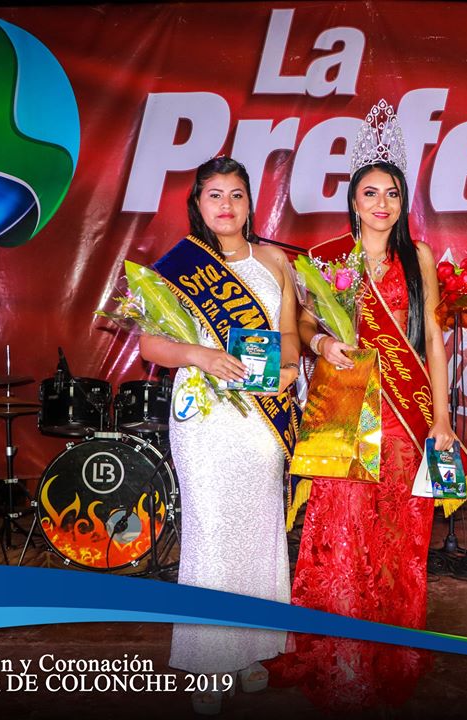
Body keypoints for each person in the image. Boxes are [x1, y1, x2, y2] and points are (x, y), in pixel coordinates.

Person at [270, 101, 467, 712]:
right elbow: (305, 325)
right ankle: (341, 653)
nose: (381, 203)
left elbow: (433, 341)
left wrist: (442, 419)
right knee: (340, 530)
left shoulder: (420, 259)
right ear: (353, 201)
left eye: (391, 193)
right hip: (345, 409)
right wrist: (322, 344)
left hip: (406, 417)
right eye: (370, 193)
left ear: (402, 201)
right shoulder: (328, 257)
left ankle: (391, 652)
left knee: (400, 534)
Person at [138, 156, 300, 714]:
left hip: (260, 414)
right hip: (204, 414)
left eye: (236, 194)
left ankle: (252, 649)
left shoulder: (275, 261)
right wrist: (201, 355)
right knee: (210, 530)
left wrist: (288, 370)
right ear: (198, 204)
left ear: (250, 203)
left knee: (258, 530)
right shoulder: (178, 266)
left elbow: (288, 338)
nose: (226, 205)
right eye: (215, 195)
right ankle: (208, 662)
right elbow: (150, 345)